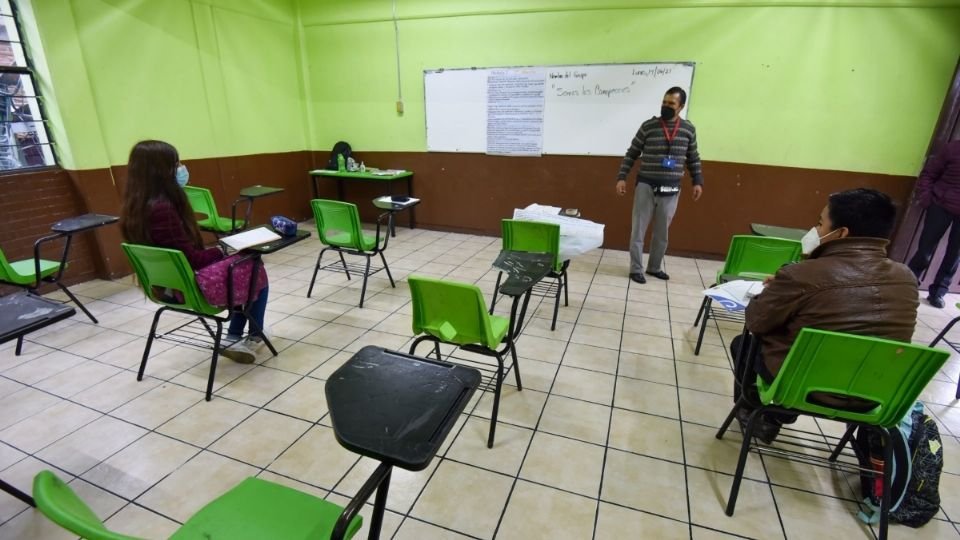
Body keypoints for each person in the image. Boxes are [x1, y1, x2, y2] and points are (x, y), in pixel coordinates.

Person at [734, 188, 918, 442]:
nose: (815, 230)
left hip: (805, 388)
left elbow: (756, 321)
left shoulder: (802, 274)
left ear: (841, 233)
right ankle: (773, 417)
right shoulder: (906, 278)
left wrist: (775, 290)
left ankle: (765, 419)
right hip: (875, 393)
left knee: (744, 344)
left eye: (820, 223)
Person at [120, 140, 268, 363]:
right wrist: (224, 249)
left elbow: (179, 255)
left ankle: (233, 337)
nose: (181, 168)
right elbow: (193, 260)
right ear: (160, 171)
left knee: (241, 268)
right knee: (253, 265)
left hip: (164, 286)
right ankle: (251, 337)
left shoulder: (134, 207)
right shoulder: (163, 209)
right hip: (188, 288)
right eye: (176, 164)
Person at [615, 86, 704, 284]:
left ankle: (654, 267)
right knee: (638, 230)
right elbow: (632, 153)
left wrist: (697, 181)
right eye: (664, 102)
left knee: (662, 233)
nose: (666, 106)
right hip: (646, 185)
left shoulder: (688, 129)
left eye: (671, 103)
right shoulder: (648, 126)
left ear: (681, 106)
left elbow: (693, 157)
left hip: (671, 189)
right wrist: (622, 177)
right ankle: (636, 269)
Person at [907, 140, 960, 308]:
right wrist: (926, 198)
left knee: (955, 255)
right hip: (940, 205)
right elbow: (929, 173)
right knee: (925, 249)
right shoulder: (953, 148)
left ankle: (938, 292)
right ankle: (909, 284)